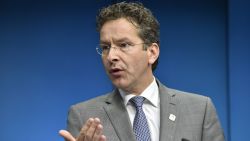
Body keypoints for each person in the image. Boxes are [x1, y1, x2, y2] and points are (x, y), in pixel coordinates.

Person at [59, 2, 225, 141]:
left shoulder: (200, 110)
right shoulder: (84, 116)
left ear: (152, 53)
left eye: (124, 45)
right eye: (105, 47)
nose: (111, 56)